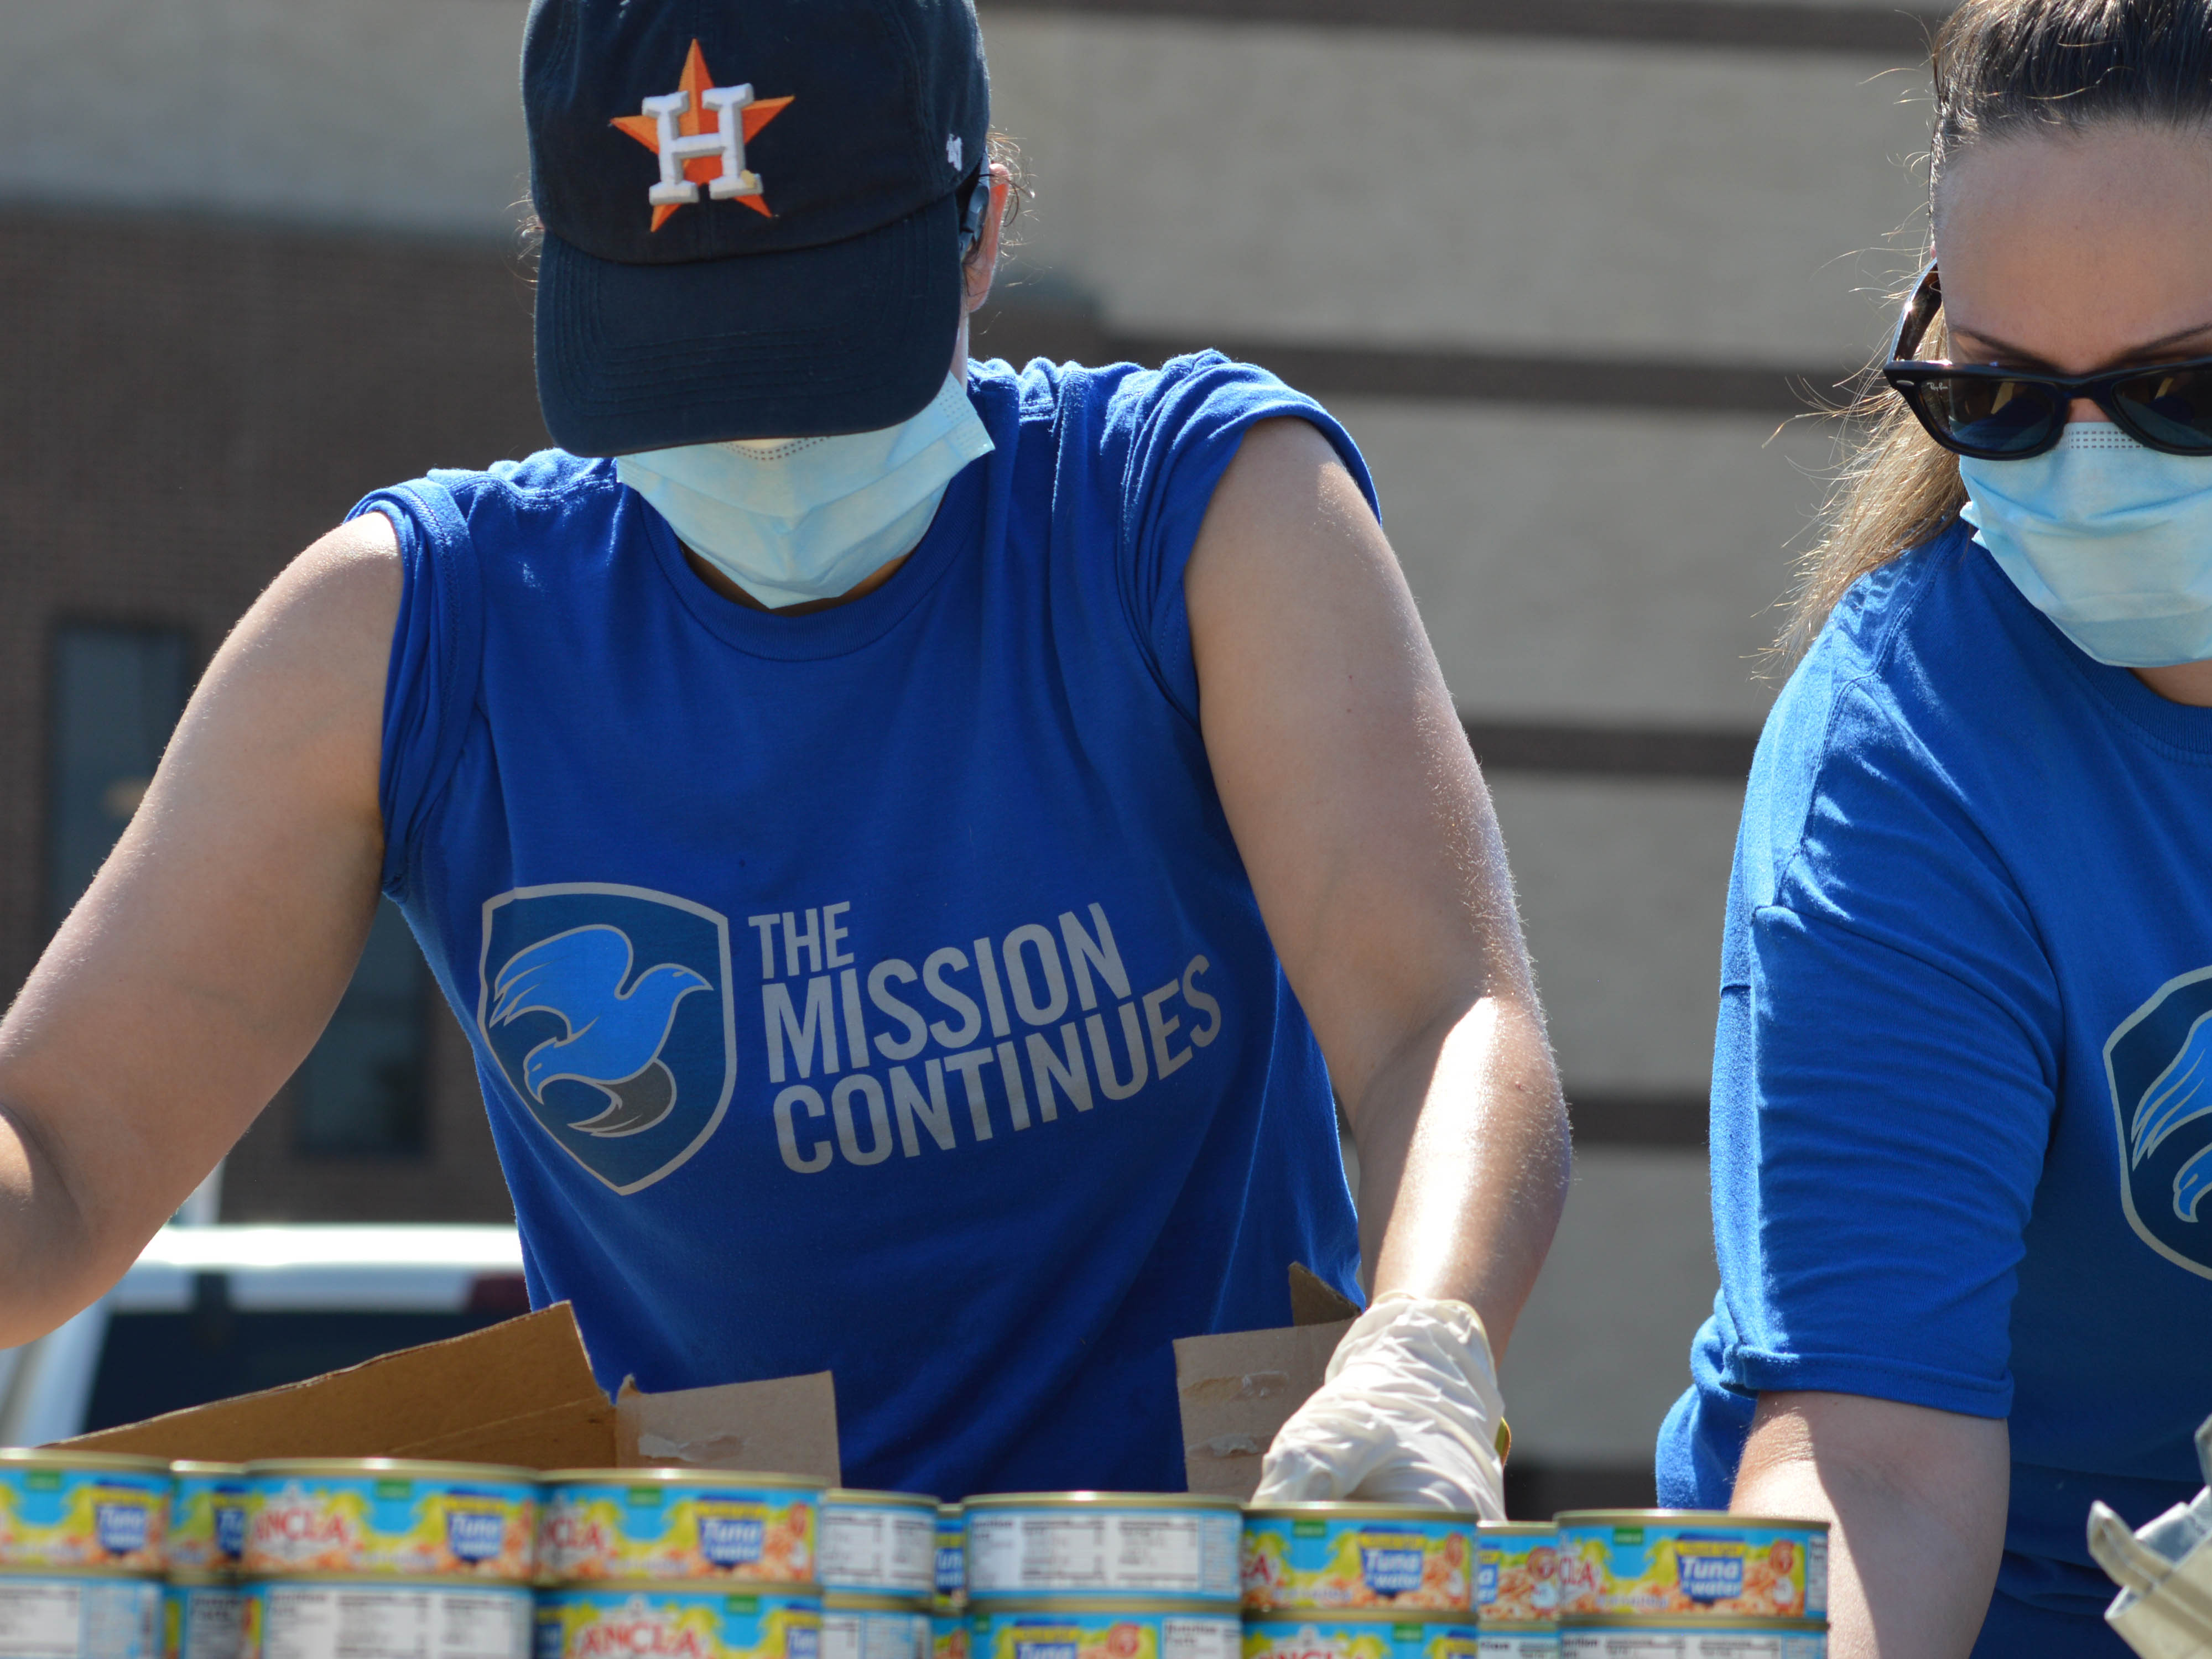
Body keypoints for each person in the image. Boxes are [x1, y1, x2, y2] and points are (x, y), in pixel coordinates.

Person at [0, 0, 1570, 1509]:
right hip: (727, 1606)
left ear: (984, 231)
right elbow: (62, 1147)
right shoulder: (426, 634)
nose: (763, 442)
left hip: (1214, 1575)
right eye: (692, 366)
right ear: (557, 272)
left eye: (816, 348)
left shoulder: (1193, 516)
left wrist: (1425, 1346)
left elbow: (1439, 1018)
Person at [1653, 0, 2212, 1652]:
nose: (2090, 475)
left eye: (2187, 393)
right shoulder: (1903, 763)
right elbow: (1879, 1470)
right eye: (2005, 398)